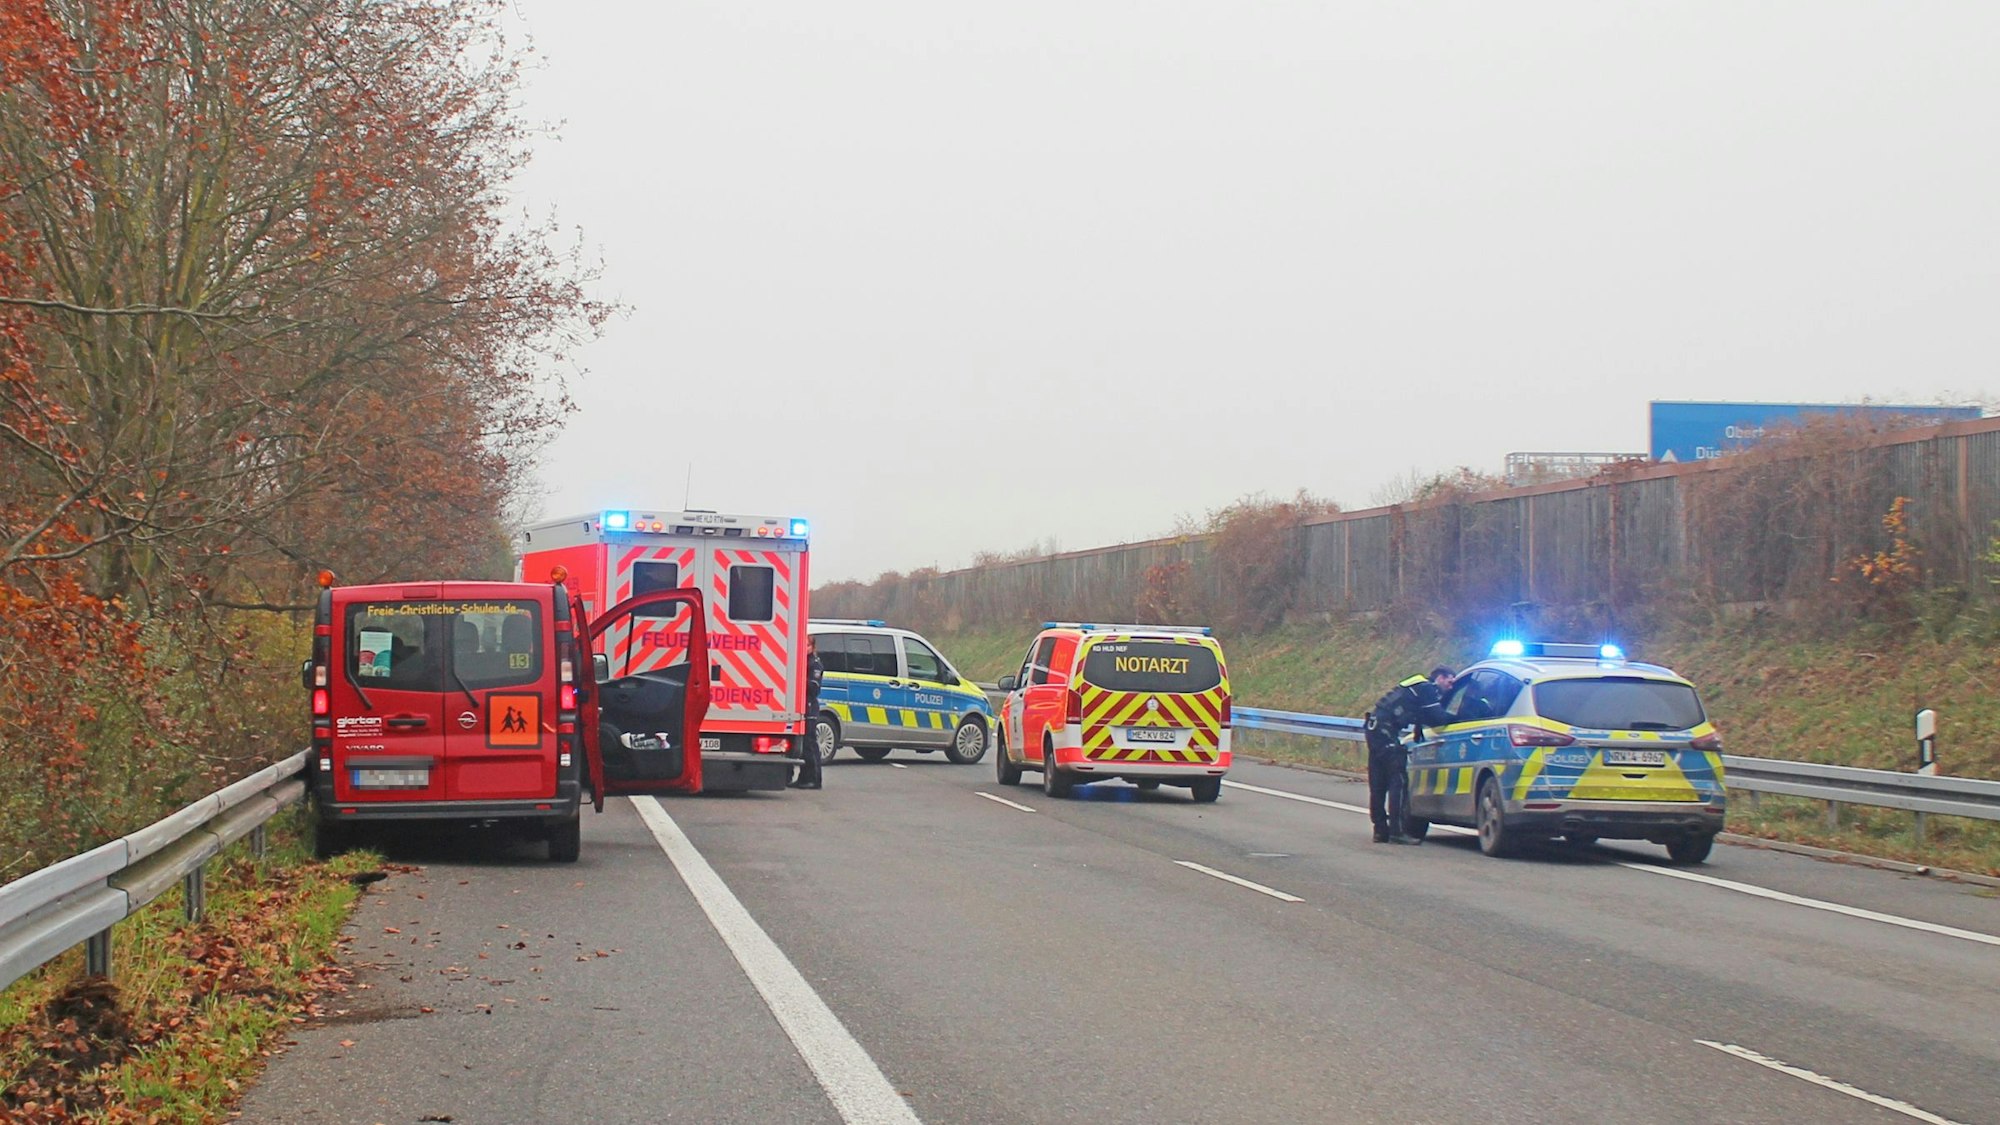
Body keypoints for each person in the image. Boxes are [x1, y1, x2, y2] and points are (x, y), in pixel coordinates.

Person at [1363, 665, 1455, 844]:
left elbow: (1419, 711)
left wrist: (1419, 726)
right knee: (1398, 780)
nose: (1450, 687)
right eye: (1450, 682)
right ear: (1440, 678)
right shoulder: (1428, 688)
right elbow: (1438, 718)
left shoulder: (1418, 685)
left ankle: (1380, 831)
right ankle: (1397, 832)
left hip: (1374, 730)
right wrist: (1461, 717)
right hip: (1385, 732)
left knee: (1378, 783)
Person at [791, 637, 825, 789]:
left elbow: (813, 687)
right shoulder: (801, 661)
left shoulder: (814, 664)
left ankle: (814, 779)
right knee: (803, 746)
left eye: (807, 645)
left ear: (812, 647)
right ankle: (803, 778)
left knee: (810, 744)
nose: (804, 648)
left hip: (809, 707)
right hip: (800, 707)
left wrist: (799, 679)